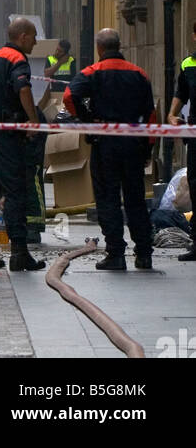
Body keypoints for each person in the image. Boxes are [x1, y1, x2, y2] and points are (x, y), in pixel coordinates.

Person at [64, 28, 155, 271]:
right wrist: (148, 148)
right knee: (135, 198)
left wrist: (86, 118)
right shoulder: (139, 74)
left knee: (108, 198)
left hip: (105, 144)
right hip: (133, 143)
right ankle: (144, 254)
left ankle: (116, 254)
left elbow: (69, 96)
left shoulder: (92, 72)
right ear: (120, 46)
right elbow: (151, 114)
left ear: (99, 49)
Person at [0, 17, 46, 273]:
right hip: (6, 134)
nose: (36, 41)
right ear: (22, 36)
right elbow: (23, 88)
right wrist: (32, 120)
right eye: (34, 36)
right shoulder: (16, 60)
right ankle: (19, 254)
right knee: (15, 190)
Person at [166, 21, 196, 262]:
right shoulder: (188, 64)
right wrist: (172, 114)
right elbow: (181, 94)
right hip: (195, 133)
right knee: (195, 184)